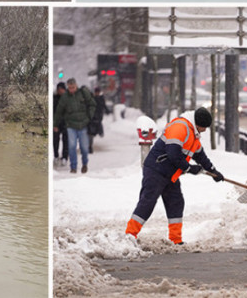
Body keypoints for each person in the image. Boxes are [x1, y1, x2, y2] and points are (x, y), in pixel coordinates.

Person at [125, 108, 224, 244]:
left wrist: (214, 172)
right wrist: (189, 168)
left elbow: (200, 156)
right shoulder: (180, 128)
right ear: (198, 124)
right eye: (204, 127)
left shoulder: (193, 134)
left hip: (170, 174)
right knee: (148, 202)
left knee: (176, 202)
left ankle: (175, 239)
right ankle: (129, 235)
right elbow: (173, 154)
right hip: (156, 169)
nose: (205, 130)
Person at [53, 78, 96, 173]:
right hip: (71, 125)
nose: (71, 89)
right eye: (70, 88)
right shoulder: (65, 97)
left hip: (83, 124)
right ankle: (73, 167)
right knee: (71, 146)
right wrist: (55, 124)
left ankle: (84, 164)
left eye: (73, 87)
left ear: (76, 86)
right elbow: (59, 111)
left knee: (84, 148)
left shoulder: (83, 93)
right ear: (67, 87)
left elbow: (92, 104)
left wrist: (89, 117)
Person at [52, 82, 69, 166]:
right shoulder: (54, 98)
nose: (59, 91)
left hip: (67, 123)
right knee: (55, 140)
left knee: (66, 141)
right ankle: (56, 156)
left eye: (61, 89)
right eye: (58, 89)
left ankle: (65, 157)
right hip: (57, 123)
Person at [87, 86, 107, 153]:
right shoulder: (93, 98)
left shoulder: (100, 99)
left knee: (92, 133)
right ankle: (89, 146)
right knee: (91, 133)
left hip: (97, 118)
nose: (97, 93)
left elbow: (103, 106)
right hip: (92, 118)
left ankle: (100, 133)